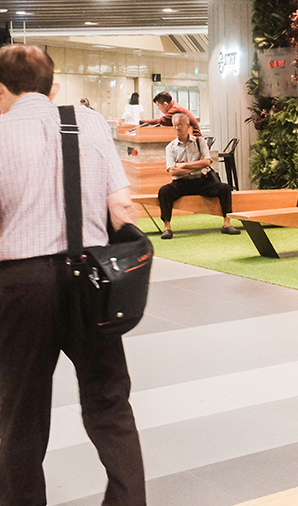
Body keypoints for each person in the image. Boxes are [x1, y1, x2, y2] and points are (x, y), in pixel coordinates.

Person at [0, 44, 147, 505]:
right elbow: (121, 207)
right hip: (91, 279)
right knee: (109, 403)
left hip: (21, 285)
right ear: (51, 85)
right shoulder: (86, 122)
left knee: (18, 413)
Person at [157, 113, 240, 239]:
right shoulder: (171, 147)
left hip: (202, 181)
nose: (177, 128)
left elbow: (207, 162)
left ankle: (227, 224)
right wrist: (197, 165)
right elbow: (173, 171)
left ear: (188, 125)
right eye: (174, 126)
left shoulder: (199, 141)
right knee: (164, 191)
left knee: (225, 188)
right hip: (181, 183)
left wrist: (183, 166)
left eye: (180, 125)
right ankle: (167, 227)